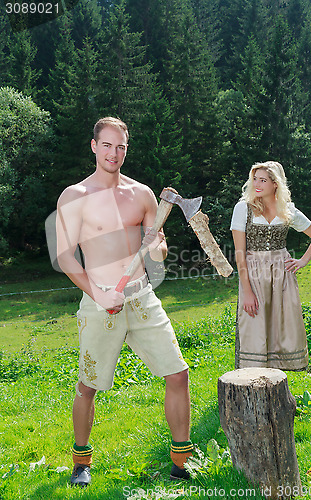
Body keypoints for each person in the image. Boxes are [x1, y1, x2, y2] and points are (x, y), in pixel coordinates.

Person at [56, 117, 192, 487]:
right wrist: (98, 293)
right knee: (88, 386)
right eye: (108, 145)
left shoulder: (143, 195)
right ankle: (81, 462)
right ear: (94, 146)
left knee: (178, 375)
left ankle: (181, 462)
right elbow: (66, 257)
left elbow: (159, 247)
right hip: (98, 301)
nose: (115, 153)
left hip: (141, 295)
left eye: (121, 147)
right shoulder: (74, 197)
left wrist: (156, 247)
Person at [230, 161, 311, 370]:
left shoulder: (287, 210)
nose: (257, 184)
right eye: (255, 179)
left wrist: (303, 261)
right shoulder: (243, 208)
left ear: (276, 184)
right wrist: (246, 291)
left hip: (281, 273)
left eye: (263, 180)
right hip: (254, 272)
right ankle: (253, 373)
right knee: (254, 321)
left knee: (282, 320)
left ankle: (277, 372)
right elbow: (240, 254)